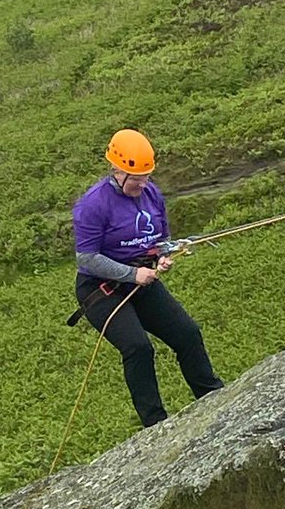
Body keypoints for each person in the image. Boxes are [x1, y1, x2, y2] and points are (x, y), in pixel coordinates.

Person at [72, 129, 223, 427]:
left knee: (187, 334)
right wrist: (131, 274)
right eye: (135, 177)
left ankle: (213, 397)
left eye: (146, 176)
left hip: (143, 278)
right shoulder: (92, 205)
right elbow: (87, 258)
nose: (142, 183)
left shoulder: (151, 194)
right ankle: (155, 424)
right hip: (101, 290)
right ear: (116, 169)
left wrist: (163, 255)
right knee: (138, 348)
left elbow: (160, 238)